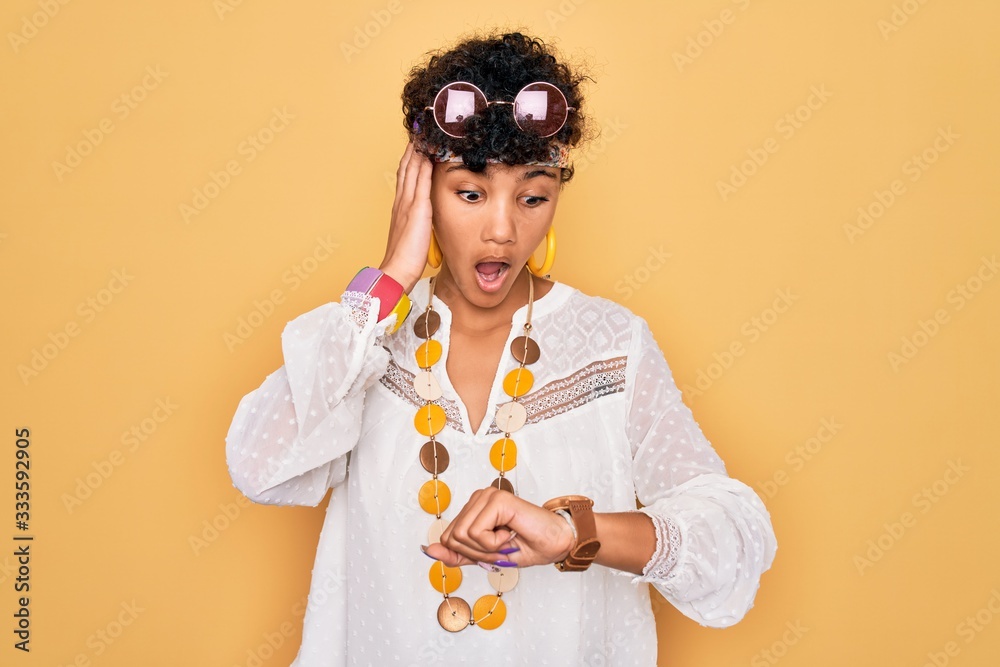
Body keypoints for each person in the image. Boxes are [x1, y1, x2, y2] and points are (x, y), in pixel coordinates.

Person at [225, 30, 777, 666]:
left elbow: (732, 541)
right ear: (421, 193)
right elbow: (260, 464)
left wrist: (573, 533)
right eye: (469, 193)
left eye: (533, 197)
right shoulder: (364, 345)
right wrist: (391, 277)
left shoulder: (611, 346)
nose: (502, 230)